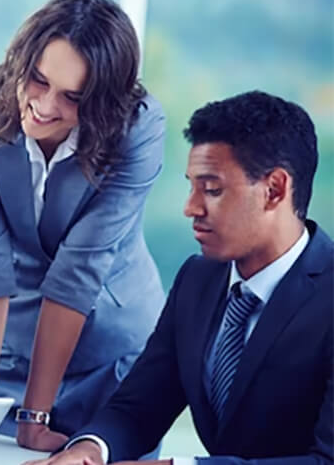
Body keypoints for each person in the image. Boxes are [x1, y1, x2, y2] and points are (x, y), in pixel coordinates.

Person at [35, 90, 332, 465]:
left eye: (212, 190)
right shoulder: (198, 279)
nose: (190, 208)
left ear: (274, 189)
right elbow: (138, 407)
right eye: (191, 186)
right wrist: (88, 451)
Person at [0, 0, 166, 452]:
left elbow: (79, 267)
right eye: (37, 80)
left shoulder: (138, 128)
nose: (44, 106)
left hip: (111, 356)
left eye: (72, 97)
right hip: (11, 342)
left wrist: (35, 416)